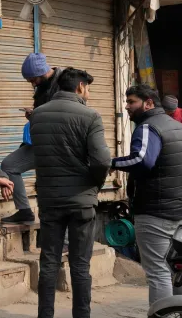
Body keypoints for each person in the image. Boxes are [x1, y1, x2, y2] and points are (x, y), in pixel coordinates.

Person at [30, 68, 112, 318]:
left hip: (49, 200)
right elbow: (101, 161)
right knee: (79, 265)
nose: (88, 92)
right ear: (79, 88)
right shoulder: (90, 116)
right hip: (81, 202)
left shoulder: (37, 115)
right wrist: (94, 186)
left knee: (49, 263)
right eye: (87, 88)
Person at [112, 84, 182, 306]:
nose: (127, 106)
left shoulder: (147, 128)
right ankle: (179, 313)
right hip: (181, 211)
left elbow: (142, 160)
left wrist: (110, 163)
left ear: (149, 103)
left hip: (155, 213)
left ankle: (162, 314)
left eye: (132, 101)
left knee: (158, 272)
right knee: (176, 267)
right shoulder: (181, 128)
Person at [0, 53, 63, 225]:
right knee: (9, 165)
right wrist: (33, 117)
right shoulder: (42, 86)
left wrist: (38, 116)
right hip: (40, 141)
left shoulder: (64, 83)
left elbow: (66, 117)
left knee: (51, 191)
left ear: (42, 72)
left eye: (33, 79)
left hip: (57, 146)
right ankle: (25, 211)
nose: (32, 84)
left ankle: (63, 241)